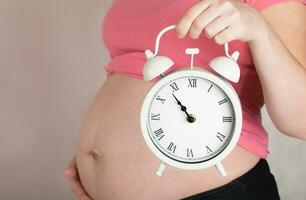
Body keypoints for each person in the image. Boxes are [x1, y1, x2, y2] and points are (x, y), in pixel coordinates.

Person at [64, 0, 306, 199]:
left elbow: (300, 119)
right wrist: (100, 158)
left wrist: (260, 31)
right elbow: (129, 69)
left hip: (215, 192)